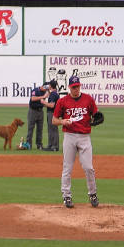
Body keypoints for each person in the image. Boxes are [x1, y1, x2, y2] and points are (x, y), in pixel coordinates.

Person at [52, 75, 99, 208]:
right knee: (67, 167)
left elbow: (96, 115)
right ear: (69, 87)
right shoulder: (63, 101)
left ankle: (93, 194)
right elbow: (53, 120)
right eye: (73, 87)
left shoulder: (88, 99)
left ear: (80, 85)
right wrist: (62, 121)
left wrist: (97, 118)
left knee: (88, 168)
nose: (76, 89)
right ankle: (66, 196)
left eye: (77, 86)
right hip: (69, 136)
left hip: (84, 137)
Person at [26, 82, 49, 150]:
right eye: (46, 88)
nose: (46, 90)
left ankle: (39, 145)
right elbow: (32, 99)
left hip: (40, 111)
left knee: (40, 129)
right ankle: (28, 144)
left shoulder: (46, 92)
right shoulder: (35, 90)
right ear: (43, 86)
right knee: (30, 128)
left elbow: (43, 102)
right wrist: (43, 97)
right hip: (33, 111)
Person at [41, 80, 60, 151]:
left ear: (51, 86)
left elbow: (52, 105)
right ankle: (51, 145)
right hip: (53, 113)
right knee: (52, 129)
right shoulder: (54, 93)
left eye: (49, 85)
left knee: (53, 129)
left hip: (52, 113)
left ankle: (54, 146)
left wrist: (43, 102)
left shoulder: (53, 94)